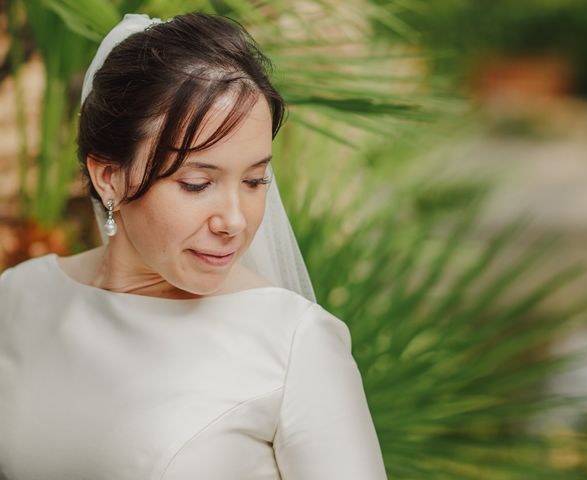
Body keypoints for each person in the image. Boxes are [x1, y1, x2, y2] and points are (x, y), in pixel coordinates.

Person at [0, 12, 387, 480]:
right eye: (198, 183)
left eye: (254, 180)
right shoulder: (20, 297)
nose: (235, 220)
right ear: (109, 178)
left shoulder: (294, 342)